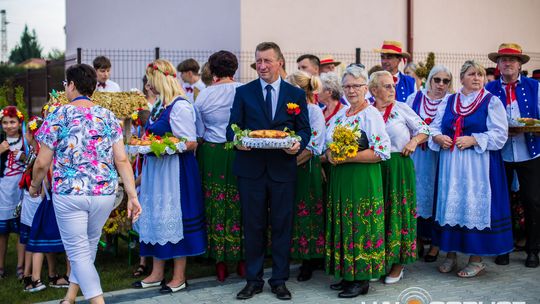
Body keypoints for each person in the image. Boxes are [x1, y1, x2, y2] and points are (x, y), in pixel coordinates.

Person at [31, 63, 141, 304]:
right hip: (104, 194)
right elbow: (121, 159)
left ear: (71, 85)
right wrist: (132, 195)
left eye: (65, 85)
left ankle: (97, 301)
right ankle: (70, 297)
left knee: (79, 252)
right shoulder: (108, 116)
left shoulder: (58, 114)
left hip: (70, 193)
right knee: (87, 247)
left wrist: (34, 186)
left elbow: (41, 162)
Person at [227, 42, 310, 301]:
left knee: (282, 226)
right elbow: (233, 127)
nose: (261, 66)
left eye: (267, 61)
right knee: (253, 226)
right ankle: (253, 281)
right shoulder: (244, 92)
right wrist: (238, 140)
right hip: (251, 170)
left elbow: (304, 130)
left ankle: (279, 280)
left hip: (283, 170)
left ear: (280, 62)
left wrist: (297, 144)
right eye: (258, 61)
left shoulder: (295, 95)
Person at [430, 60, 513, 278]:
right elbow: (434, 126)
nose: (477, 78)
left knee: (472, 206)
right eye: (472, 74)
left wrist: (474, 140)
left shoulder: (491, 101)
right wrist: (438, 137)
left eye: (480, 74)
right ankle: (450, 255)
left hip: (478, 166)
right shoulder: (449, 101)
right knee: (451, 206)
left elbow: (500, 134)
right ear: (462, 78)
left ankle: (476, 259)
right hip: (451, 165)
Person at [133, 59, 206, 294]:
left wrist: (164, 147)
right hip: (157, 172)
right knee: (156, 217)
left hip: (176, 173)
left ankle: (179, 276)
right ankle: (156, 273)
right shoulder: (159, 106)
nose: (149, 86)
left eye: (152, 82)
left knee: (175, 219)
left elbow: (191, 142)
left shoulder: (181, 106)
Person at [324, 66, 391, 298]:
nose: (351, 90)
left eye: (356, 86)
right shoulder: (342, 114)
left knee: (360, 225)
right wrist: (331, 154)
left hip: (363, 178)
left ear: (365, 89)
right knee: (344, 223)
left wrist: (346, 157)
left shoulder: (370, 114)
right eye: (347, 86)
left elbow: (382, 151)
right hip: (341, 178)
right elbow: (329, 146)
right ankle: (347, 273)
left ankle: (361, 279)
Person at [370, 71, 429, 284]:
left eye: (392, 86)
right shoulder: (368, 111)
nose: (392, 90)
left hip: (398, 165)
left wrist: (413, 142)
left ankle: (398, 264)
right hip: (375, 166)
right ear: (373, 90)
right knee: (378, 214)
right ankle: (379, 262)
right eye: (386, 86)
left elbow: (424, 129)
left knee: (398, 213)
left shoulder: (401, 108)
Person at [485, 43, 540, 268]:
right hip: (501, 154)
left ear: (520, 65)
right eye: (503, 59)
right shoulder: (489, 89)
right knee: (501, 202)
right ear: (497, 64)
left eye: (512, 60)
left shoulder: (535, 86)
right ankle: (503, 248)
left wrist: (530, 126)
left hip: (531, 152)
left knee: (533, 201)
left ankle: (533, 250)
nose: (508, 63)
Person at [194, 50, 244, 282]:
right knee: (241, 202)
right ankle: (243, 259)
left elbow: (200, 132)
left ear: (212, 71)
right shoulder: (244, 90)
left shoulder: (203, 96)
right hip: (239, 151)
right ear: (233, 69)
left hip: (213, 152)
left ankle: (220, 262)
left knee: (215, 203)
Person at [406, 65, 453, 263]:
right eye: (437, 80)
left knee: (437, 196)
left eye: (445, 81)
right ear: (429, 80)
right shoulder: (414, 98)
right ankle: (416, 240)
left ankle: (435, 244)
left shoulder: (452, 102)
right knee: (415, 195)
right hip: (416, 155)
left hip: (438, 157)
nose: (441, 84)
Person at [20, 114, 69, 292]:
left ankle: (36, 279)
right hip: (56, 199)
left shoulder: (44, 153)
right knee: (62, 239)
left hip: (50, 200)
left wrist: (36, 187)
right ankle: (49, 276)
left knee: (39, 237)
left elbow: (44, 173)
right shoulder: (53, 149)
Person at [285, 70, 326, 282]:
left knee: (307, 212)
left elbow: (313, 146)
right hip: (288, 167)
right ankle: (294, 254)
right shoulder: (289, 110)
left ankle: (309, 259)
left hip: (305, 167)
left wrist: (289, 164)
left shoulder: (313, 111)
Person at [0, 105, 26, 280]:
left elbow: (34, 160)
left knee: (20, 231)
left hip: (20, 190)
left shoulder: (26, 141)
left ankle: (20, 266)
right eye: (5, 122)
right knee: (2, 233)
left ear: (19, 123)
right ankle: (0, 266)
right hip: (2, 191)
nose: (9, 126)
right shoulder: (0, 141)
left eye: (12, 122)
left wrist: (23, 155)